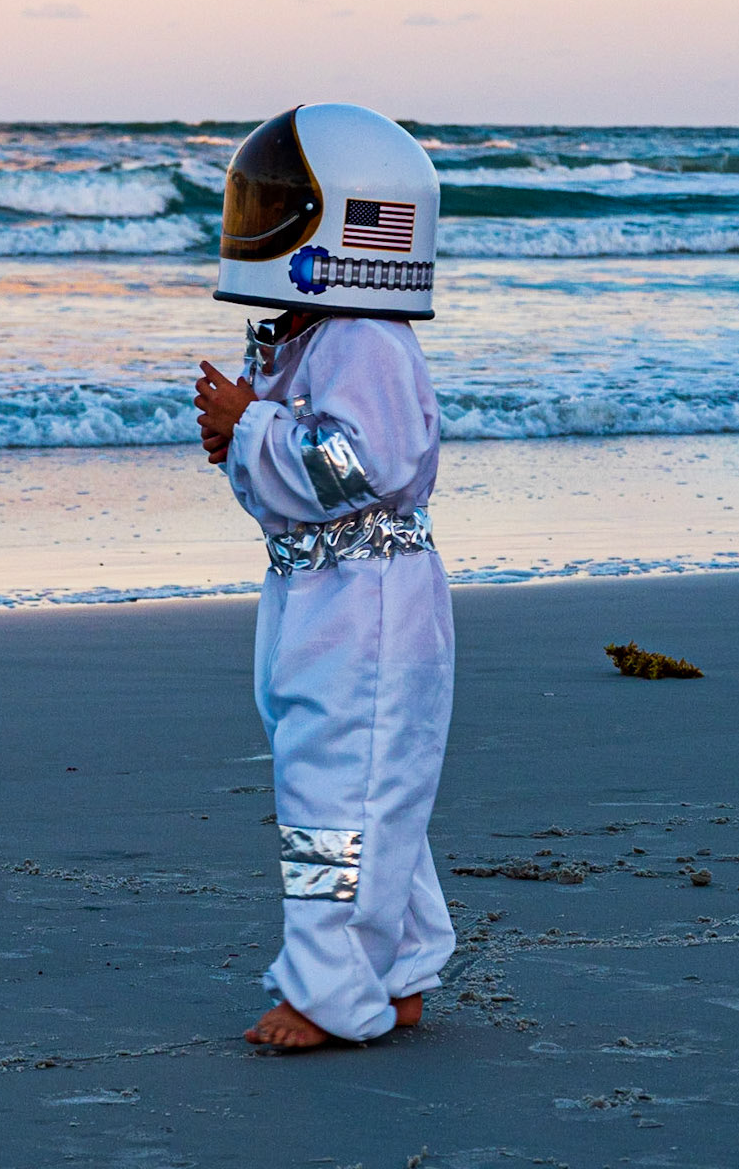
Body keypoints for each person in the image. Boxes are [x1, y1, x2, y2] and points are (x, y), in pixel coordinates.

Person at [194, 103, 455, 1051]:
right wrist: (243, 436)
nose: (255, 219)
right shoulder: (318, 336)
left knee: (337, 793)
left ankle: (329, 992)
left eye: (278, 204)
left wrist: (253, 427)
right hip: (321, 593)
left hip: (370, 604)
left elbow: (360, 467)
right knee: (369, 786)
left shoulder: (365, 338)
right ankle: (402, 966)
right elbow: (306, 489)